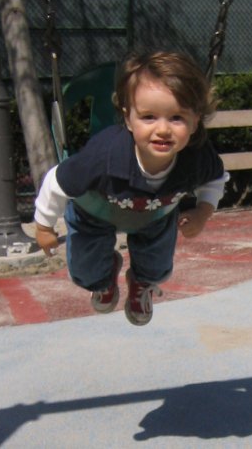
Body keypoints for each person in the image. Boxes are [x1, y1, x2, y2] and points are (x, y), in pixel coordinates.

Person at [34, 50, 228, 326]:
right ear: (127, 119)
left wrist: (203, 212)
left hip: (153, 215)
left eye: (176, 118)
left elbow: (216, 178)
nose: (162, 129)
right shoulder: (104, 155)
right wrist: (44, 226)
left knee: (157, 264)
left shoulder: (196, 156)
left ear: (195, 121)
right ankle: (103, 280)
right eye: (149, 117)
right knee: (85, 270)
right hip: (95, 210)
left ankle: (141, 283)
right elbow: (56, 181)